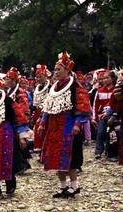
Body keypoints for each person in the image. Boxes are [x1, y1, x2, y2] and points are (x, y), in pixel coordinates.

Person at [38, 52, 91, 198]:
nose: (55, 72)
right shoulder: (53, 87)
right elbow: (47, 107)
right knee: (55, 157)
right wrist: (43, 122)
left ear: (67, 70)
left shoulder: (75, 85)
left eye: (58, 69)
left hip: (69, 126)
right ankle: (62, 186)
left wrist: (77, 124)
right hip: (54, 127)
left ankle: (74, 186)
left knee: (71, 158)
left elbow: (83, 106)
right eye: (55, 69)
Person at [0, 73, 30, 197]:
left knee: (6, 159)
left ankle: (10, 186)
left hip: (5, 135)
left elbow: (18, 117)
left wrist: (21, 135)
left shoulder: (7, 100)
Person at [93, 70, 117, 159]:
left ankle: (110, 153)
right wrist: (94, 118)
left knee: (111, 134)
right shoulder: (99, 91)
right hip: (102, 116)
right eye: (103, 78)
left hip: (114, 116)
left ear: (113, 79)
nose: (105, 80)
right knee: (100, 132)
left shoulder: (116, 90)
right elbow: (95, 105)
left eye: (107, 78)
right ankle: (98, 151)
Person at [32, 64, 51, 153]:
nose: (38, 79)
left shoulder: (50, 87)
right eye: (37, 77)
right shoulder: (37, 88)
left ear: (45, 76)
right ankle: (41, 152)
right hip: (38, 111)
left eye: (40, 77)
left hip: (47, 111)